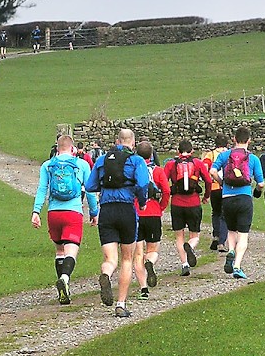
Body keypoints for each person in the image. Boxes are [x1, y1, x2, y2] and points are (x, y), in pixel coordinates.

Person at [85, 128, 150, 318]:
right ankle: (121, 304)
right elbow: (143, 184)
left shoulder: (102, 160)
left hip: (107, 210)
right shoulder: (136, 160)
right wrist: (143, 201)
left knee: (110, 259)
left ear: (117, 141)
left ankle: (106, 274)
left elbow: (90, 186)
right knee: (127, 259)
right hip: (126, 210)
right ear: (133, 142)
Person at [32, 135, 100, 305]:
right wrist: (94, 212)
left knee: (59, 252)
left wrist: (36, 211)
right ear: (72, 149)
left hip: (54, 213)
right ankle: (65, 278)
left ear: (57, 148)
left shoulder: (47, 166)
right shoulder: (82, 164)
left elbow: (42, 190)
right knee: (72, 250)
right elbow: (90, 191)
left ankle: (63, 291)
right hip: (73, 212)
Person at [210, 126, 265, 280]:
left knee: (231, 230)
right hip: (244, 198)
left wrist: (221, 183)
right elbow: (261, 183)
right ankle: (237, 266)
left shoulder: (225, 155)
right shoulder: (253, 158)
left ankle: (230, 251)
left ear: (234, 139)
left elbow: (212, 172)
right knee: (243, 234)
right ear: (249, 140)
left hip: (227, 198)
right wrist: (257, 191)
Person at [162, 139, 211, 277]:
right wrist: (206, 195)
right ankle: (190, 246)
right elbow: (208, 180)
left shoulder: (171, 164)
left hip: (177, 204)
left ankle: (184, 264)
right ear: (192, 151)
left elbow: (164, 183)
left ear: (178, 151)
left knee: (179, 236)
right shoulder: (197, 163)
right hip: (194, 203)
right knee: (194, 235)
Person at [134, 140, 171, 299]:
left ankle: (143, 288)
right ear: (151, 154)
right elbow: (166, 190)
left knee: (137, 254)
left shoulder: (133, 170)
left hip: (136, 213)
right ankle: (150, 262)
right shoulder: (157, 171)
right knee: (153, 249)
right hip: (153, 213)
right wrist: (161, 206)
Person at [202, 132, 231, 253]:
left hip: (214, 188)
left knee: (216, 213)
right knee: (224, 215)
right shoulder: (230, 154)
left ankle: (216, 235)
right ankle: (222, 242)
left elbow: (205, 168)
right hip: (226, 187)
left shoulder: (210, 154)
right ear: (227, 143)